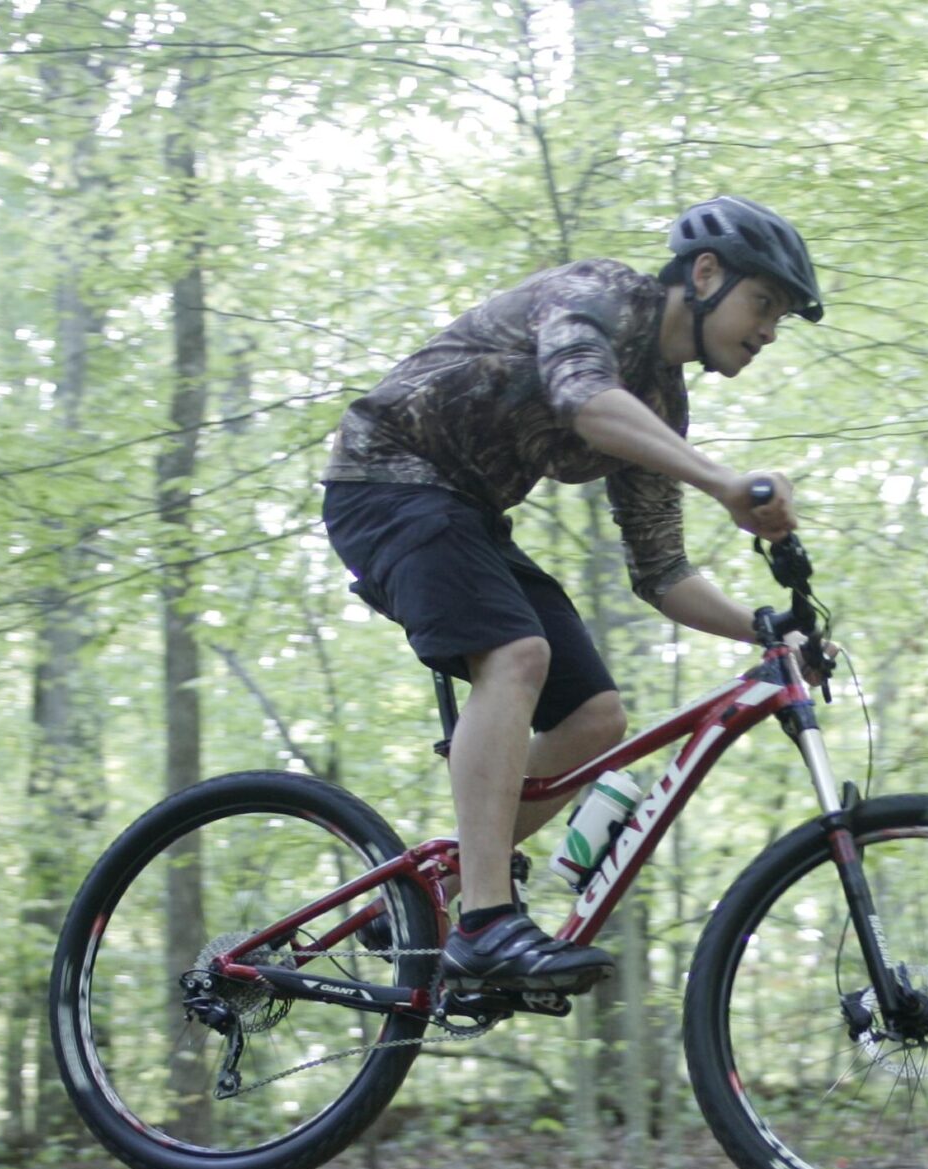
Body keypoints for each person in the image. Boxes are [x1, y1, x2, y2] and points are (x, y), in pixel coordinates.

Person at [320, 196, 824, 994]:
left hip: (466, 514)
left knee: (595, 717)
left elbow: (661, 571)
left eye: (779, 319)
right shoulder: (601, 294)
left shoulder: (662, 408)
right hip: (385, 479)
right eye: (763, 303)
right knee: (517, 654)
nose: (768, 331)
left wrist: (764, 629)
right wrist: (726, 483)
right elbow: (583, 399)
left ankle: (432, 890)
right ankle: (486, 923)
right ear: (704, 274)